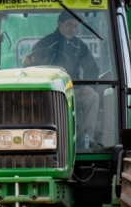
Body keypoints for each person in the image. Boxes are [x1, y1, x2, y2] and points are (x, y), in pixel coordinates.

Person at [24, 11, 102, 147]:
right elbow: (32, 67)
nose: (72, 29)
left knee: (93, 97)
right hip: (47, 94)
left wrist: (89, 85)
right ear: (59, 25)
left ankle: (87, 140)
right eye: (69, 25)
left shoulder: (79, 46)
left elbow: (92, 68)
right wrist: (27, 63)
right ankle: (35, 139)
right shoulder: (44, 44)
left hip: (72, 92)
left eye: (75, 26)